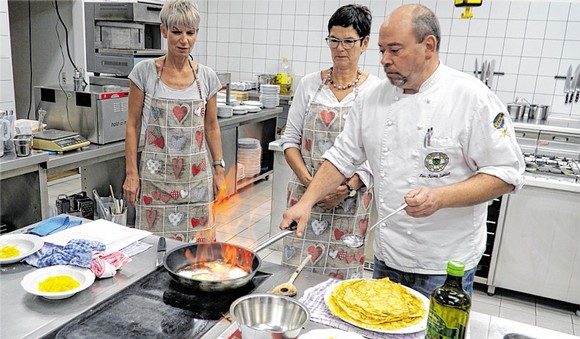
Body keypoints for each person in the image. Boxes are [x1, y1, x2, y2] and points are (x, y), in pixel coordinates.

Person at [280, 4, 525, 297]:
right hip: (388, 257)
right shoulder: (374, 99)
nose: (384, 60)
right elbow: (341, 157)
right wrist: (306, 202)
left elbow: (507, 173)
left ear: (428, 46)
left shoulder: (471, 98)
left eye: (394, 50)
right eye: (382, 50)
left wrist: (439, 197)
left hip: (445, 263)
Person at [279, 4, 381, 279]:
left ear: (365, 43)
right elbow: (290, 141)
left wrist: (347, 187)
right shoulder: (309, 85)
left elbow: (377, 153)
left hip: (350, 202)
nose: (340, 48)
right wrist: (314, 187)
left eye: (348, 41)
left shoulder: (376, 91)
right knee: (295, 276)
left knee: (341, 281)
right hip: (305, 196)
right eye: (334, 40)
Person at [123, 0, 225, 243]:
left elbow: (211, 126)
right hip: (156, 180)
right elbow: (132, 125)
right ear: (163, 31)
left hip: (196, 182)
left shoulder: (207, 77)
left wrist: (219, 169)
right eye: (177, 32)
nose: (184, 40)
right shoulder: (145, 73)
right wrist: (131, 173)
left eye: (190, 33)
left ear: (197, 33)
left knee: (198, 254)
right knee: (154, 250)